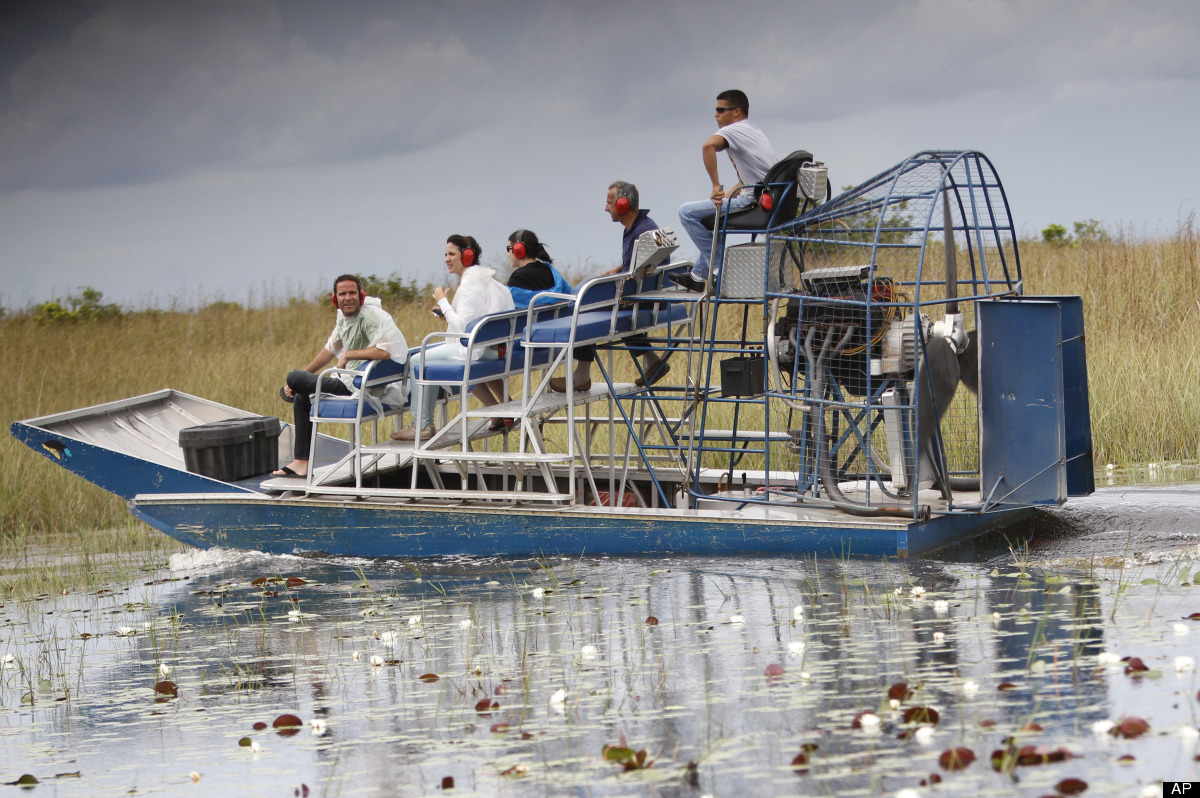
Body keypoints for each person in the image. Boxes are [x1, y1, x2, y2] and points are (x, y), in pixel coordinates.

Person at [275, 274, 407, 477]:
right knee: (301, 395)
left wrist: (348, 354)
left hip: (357, 385)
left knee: (293, 377)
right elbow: (329, 351)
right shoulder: (345, 320)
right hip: (350, 380)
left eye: (352, 293)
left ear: (361, 296)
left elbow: (385, 351)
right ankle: (301, 462)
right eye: (343, 294)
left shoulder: (370, 317)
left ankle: (294, 384)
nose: (348, 297)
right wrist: (303, 377)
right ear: (335, 299)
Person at [391, 235, 515, 440]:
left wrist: (443, 301)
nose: (447, 259)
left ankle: (421, 425)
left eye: (452, 254)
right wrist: (446, 311)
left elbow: (463, 326)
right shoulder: (488, 280)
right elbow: (474, 318)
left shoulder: (469, 285)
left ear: (467, 255)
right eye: (446, 254)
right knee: (429, 357)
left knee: (417, 359)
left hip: (479, 350)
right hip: (494, 348)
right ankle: (502, 410)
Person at [550, 181, 669, 392]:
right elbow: (639, 266)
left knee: (583, 308)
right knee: (618, 305)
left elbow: (635, 277)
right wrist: (619, 268)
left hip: (641, 299)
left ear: (622, 204)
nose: (606, 208)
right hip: (649, 296)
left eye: (609, 203)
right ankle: (652, 361)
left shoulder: (641, 233)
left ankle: (581, 375)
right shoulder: (645, 226)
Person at [672, 89, 778, 292]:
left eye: (720, 110)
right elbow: (757, 178)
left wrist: (715, 186)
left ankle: (719, 269)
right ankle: (698, 275)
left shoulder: (734, 130)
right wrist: (731, 191)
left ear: (737, 112)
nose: (716, 115)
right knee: (712, 215)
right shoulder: (752, 130)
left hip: (752, 203)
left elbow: (708, 146)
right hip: (762, 198)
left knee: (687, 213)